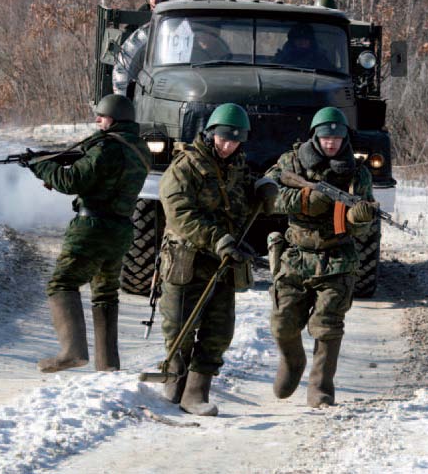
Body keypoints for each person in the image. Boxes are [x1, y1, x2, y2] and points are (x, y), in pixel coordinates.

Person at [158, 103, 277, 416]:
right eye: (224, 139)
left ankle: (196, 393)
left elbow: (244, 197)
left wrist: (263, 189)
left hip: (224, 262)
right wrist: (217, 238)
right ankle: (174, 384)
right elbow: (179, 214)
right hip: (187, 259)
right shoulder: (185, 167)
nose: (228, 146)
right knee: (179, 327)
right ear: (211, 134)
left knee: (219, 331)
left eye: (235, 141)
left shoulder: (237, 167)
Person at [29, 94, 151, 373]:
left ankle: (72, 352)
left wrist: (41, 165)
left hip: (91, 228)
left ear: (115, 119)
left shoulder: (107, 147)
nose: (97, 120)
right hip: (120, 230)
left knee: (62, 283)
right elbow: (102, 179)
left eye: (102, 116)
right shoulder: (140, 149)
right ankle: (108, 364)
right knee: (105, 293)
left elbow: (71, 181)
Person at [265, 106, 377, 408]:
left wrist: (358, 219)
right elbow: (266, 196)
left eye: (337, 138)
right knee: (282, 322)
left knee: (328, 325)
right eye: (326, 137)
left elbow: (362, 228)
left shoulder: (357, 173)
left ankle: (321, 387)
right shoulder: (291, 163)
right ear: (315, 137)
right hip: (295, 257)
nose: (331, 143)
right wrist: (305, 200)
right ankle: (293, 362)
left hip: (337, 258)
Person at [112, 0, 169, 96]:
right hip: (144, 61)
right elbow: (130, 33)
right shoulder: (142, 13)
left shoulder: (171, 10)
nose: (155, 0)